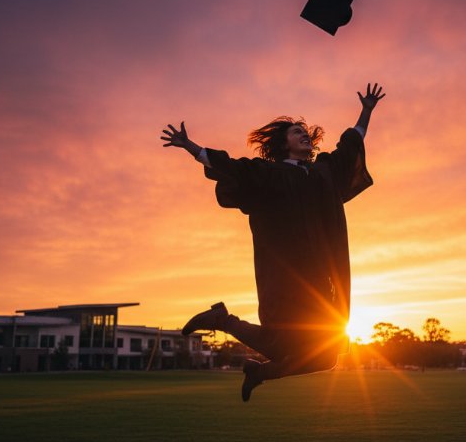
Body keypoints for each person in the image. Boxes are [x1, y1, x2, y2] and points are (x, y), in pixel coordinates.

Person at [161, 83, 385, 401]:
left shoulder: (325, 172)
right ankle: (221, 320)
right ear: (284, 144)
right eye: (296, 132)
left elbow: (350, 146)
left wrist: (367, 110)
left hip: (323, 279)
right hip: (287, 274)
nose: (304, 134)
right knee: (281, 340)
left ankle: (258, 369)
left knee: (326, 356)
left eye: (306, 131)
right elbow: (233, 167)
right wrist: (191, 147)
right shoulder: (271, 173)